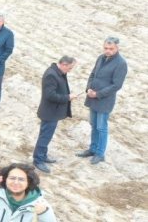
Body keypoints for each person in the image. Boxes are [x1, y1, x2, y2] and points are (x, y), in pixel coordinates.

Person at [77, 37, 128, 165]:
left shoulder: (121, 63)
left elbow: (116, 85)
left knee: (101, 127)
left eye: (111, 49)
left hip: (104, 100)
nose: (108, 51)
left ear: (117, 48)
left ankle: (100, 154)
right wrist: (88, 88)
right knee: (93, 125)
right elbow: (93, 74)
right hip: (92, 97)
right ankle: (92, 149)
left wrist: (98, 94)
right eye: (106, 48)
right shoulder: (100, 58)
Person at [33, 56, 77, 173]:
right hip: (49, 112)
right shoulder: (51, 75)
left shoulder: (58, 72)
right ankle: (38, 160)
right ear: (64, 64)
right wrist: (67, 97)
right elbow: (50, 95)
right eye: (70, 68)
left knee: (46, 136)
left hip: (53, 112)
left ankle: (42, 155)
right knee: (45, 136)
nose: (70, 70)